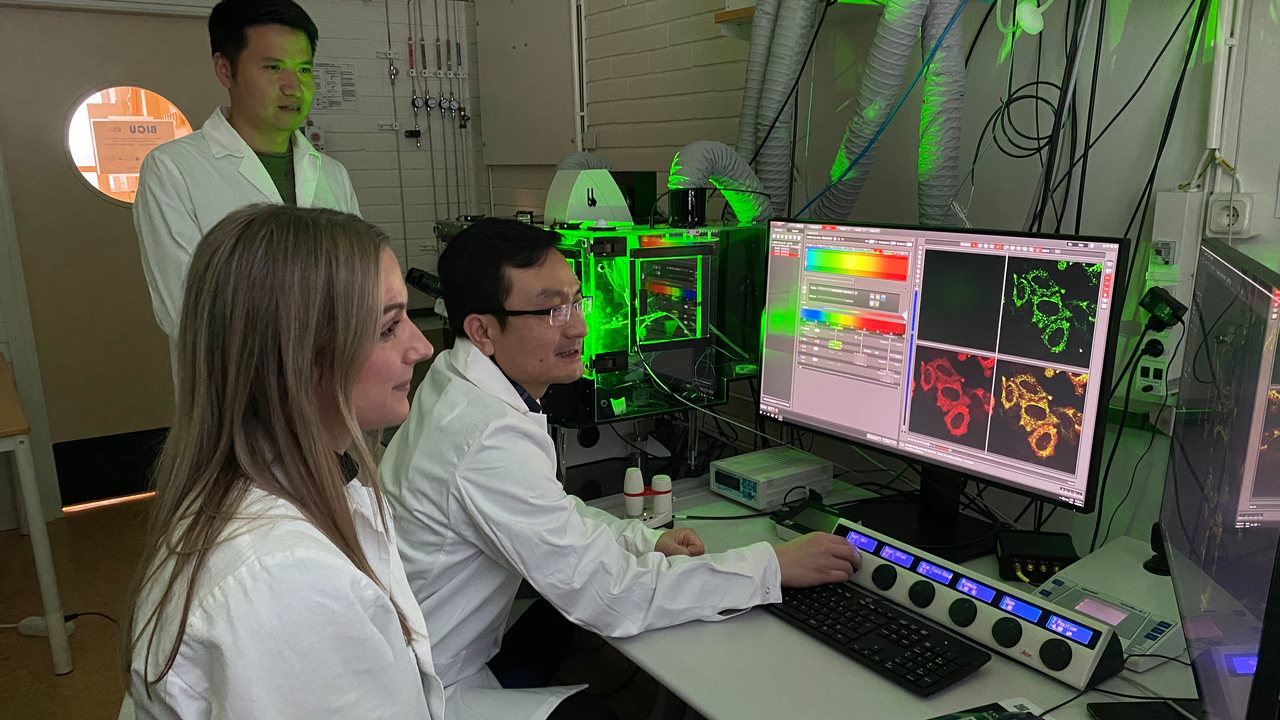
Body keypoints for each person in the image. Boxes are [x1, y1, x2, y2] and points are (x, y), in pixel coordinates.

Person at [379, 218, 863, 720]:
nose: (580, 327)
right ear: (482, 330)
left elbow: (555, 513)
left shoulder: (456, 379)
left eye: (577, 300)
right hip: (429, 688)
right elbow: (609, 598)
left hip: (434, 643)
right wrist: (772, 567)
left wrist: (642, 539)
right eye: (551, 310)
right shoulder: (485, 439)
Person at [121, 205, 440, 719]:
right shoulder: (284, 579)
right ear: (298, 357)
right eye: (388, 328)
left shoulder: (298, 479)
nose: (421, 347)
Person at [133, 0, 360, 376]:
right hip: (236, 397)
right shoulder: (173, 169)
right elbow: (185, 309)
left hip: (331, 387)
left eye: (304, 69)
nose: (294, 86)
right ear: (225, 69)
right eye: (273, 68)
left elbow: (358, 283)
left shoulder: (331, 174)